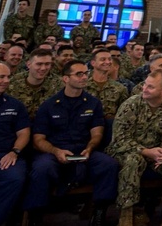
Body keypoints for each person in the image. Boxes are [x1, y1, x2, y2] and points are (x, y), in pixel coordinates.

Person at [26, 60, 118, 226]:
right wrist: (56, 151)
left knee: (108, 164)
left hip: (83, 150)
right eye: (79, 74)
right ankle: (35, 216)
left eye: (85, 74)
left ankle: (99, 213)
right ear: (65, 79)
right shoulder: (49, 105)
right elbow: (38, 139)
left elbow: (97, 133)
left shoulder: (92, 103)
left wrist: (90, 148)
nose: (84, 77)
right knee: (41, 168)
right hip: (54, 151)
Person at [110, 67, 162, 226]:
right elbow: (120, 140)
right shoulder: (131, 105)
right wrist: (146, 151)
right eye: (145, 84)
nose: (144, 89)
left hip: (156, 151)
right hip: (127, 150)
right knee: (133, 161)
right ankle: (126, 216)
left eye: (151, 87)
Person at [0, 62, 30, 226]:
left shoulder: (15, 105)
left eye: (8, 77)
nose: (7, 80)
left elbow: (24, 133)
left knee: (16, 178)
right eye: (1, 77)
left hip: (6, 155)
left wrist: (15, 151)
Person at [85, 46, 129, 118]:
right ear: (93, 63)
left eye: (109, 59)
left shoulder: (120, 88)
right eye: (103, 59)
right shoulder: (82, 85)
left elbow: (123, 114)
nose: (108, 62)